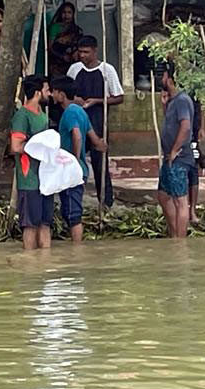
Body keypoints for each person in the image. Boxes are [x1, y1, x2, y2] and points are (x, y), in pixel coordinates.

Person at [67, 35, 124, 208]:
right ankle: (72, 201)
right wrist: (74, 99)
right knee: (74, 159)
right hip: (77, 122)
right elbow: (66, 94)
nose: (82, 55)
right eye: (80, 52)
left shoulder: (107, 70)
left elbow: (119, 97)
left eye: (86, 52)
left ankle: (105, 201)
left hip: (98, 121)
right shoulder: (74, 69)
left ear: (95, 51)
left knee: (100, 162)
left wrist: (97, 101)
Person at [50, 75, 106, 244]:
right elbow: (94, 139)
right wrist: (101, 145)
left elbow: (77, 135)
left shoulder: (70, 112)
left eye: (54, 91)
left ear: (62, 94)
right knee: (69, 210)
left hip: (72, 171)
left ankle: (77, 249)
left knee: (73, 213)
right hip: (77, 170)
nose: (52, 95)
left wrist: (74, 160)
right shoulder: (80, 111)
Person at [10, 75, 53, 250]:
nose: (50, 93)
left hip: (46, 179)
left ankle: (44, 261)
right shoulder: (22, 116)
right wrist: (39, 147)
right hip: (29, 180)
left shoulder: (42, 115)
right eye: (47, 90)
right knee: (30, 225)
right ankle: (30, 261)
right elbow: (16, 146)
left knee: (45, 223)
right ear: (37, 93)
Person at [158, 63, 194, 239]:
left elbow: (185, 127)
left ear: (170, 80)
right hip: (170, 158)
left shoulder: (182, 100)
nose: (161, 79)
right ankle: (174, 235)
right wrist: (164, 106)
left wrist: (174, 150)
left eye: (164, 76)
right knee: (163, 195)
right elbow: (171, 123)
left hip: (179, 157)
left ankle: (180, 242)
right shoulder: (173, 101)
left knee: (180, 200)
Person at [47, 2, 82, 77]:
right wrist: (62, 56)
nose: (66, 16)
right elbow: (50, 47)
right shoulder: (55, 28)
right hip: (57, 63)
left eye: (69, 13)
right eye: (64, 12)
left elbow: (80, 45)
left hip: (72, 63)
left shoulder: (76, 30)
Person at [187, 94, 205, 224]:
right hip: (180, 133)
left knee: (194, 169)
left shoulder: (196, 87)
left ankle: (192, 210)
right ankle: (183, 210)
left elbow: (202, 106)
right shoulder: (176, 89)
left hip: (194, 130)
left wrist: (202, 127)